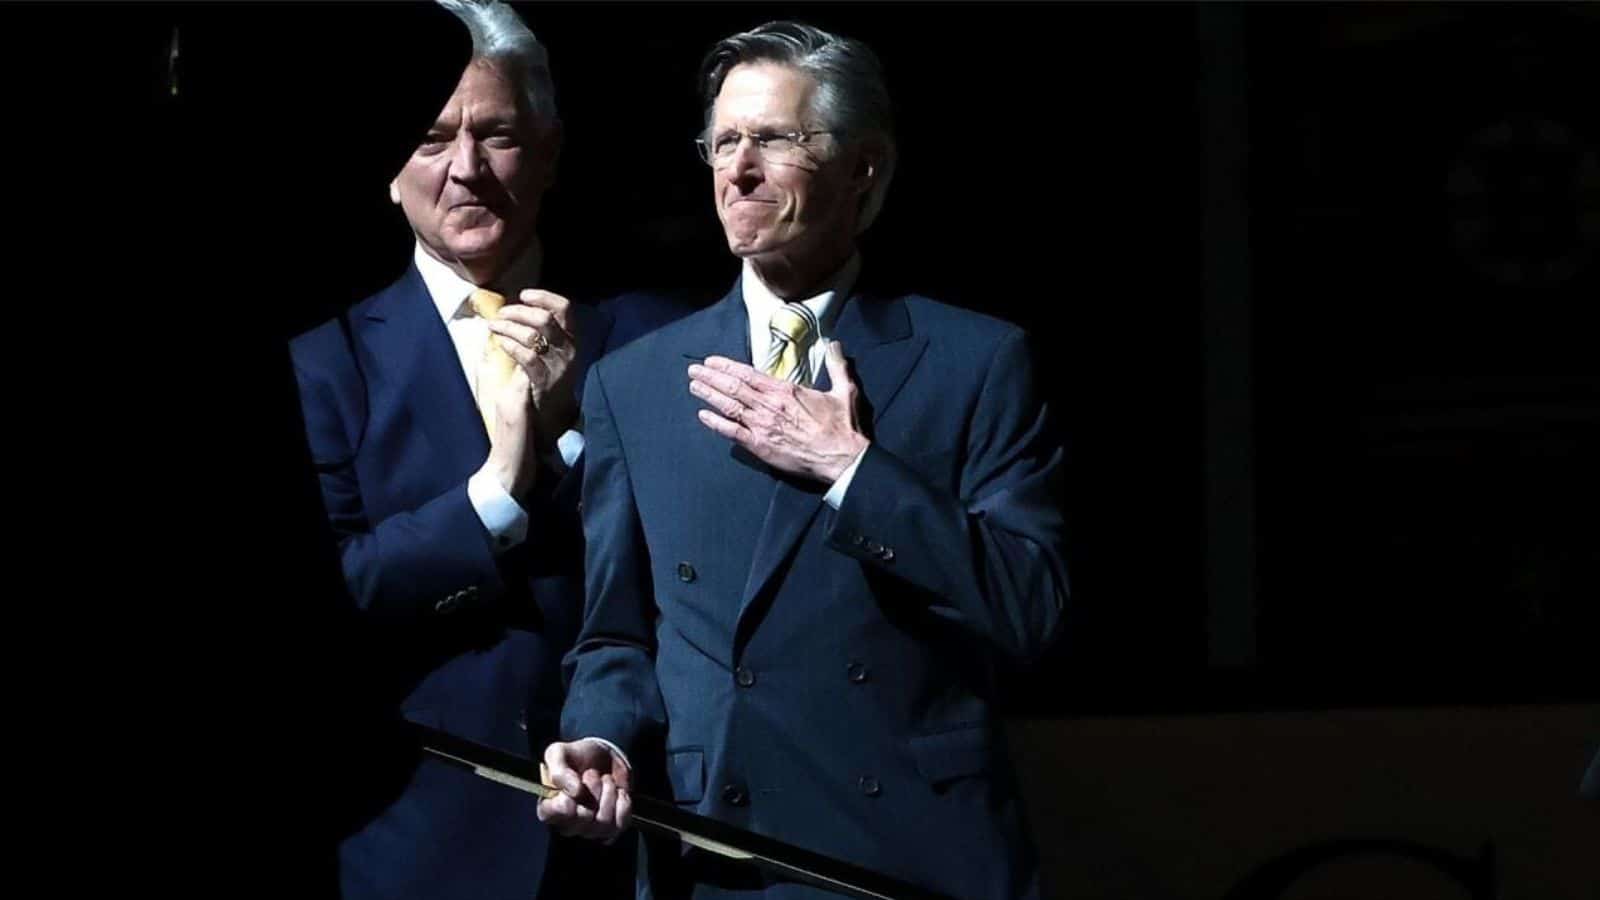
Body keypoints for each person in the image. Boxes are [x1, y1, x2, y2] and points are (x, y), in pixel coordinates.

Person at [539, 20, 1068, 900]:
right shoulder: (633, 384)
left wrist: (854, 471)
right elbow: (617, 634)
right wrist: (604, 738)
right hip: (720, 852)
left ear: (864, 167)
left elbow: (1033, 610)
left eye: (775, 139)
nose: (737, 170)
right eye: (724, 141)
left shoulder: (975, 360)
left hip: (911, 851)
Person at [289, 1, 679, 896]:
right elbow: (333, 600)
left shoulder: (651, 341)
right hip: (412, 844)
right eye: (431, 138)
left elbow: (688, 574)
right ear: (390, 171)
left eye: (496, 135)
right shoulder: (320, 363)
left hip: (623, 841)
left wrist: (577, 434)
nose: (465, 169)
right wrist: (497, 490)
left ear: (548, 151)